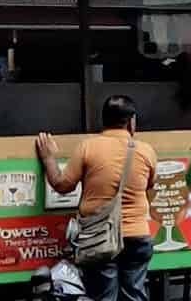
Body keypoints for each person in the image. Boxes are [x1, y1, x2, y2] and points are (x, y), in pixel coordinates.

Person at [36, 96, 158, 301]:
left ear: (104, 120)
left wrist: (49, 158)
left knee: (104, 296)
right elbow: (149, 187)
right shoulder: (146, 151)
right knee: (135, 295)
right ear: (131, 121)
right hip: (138, 235)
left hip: (99, 238)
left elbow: (62, 185)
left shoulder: (88, 148)